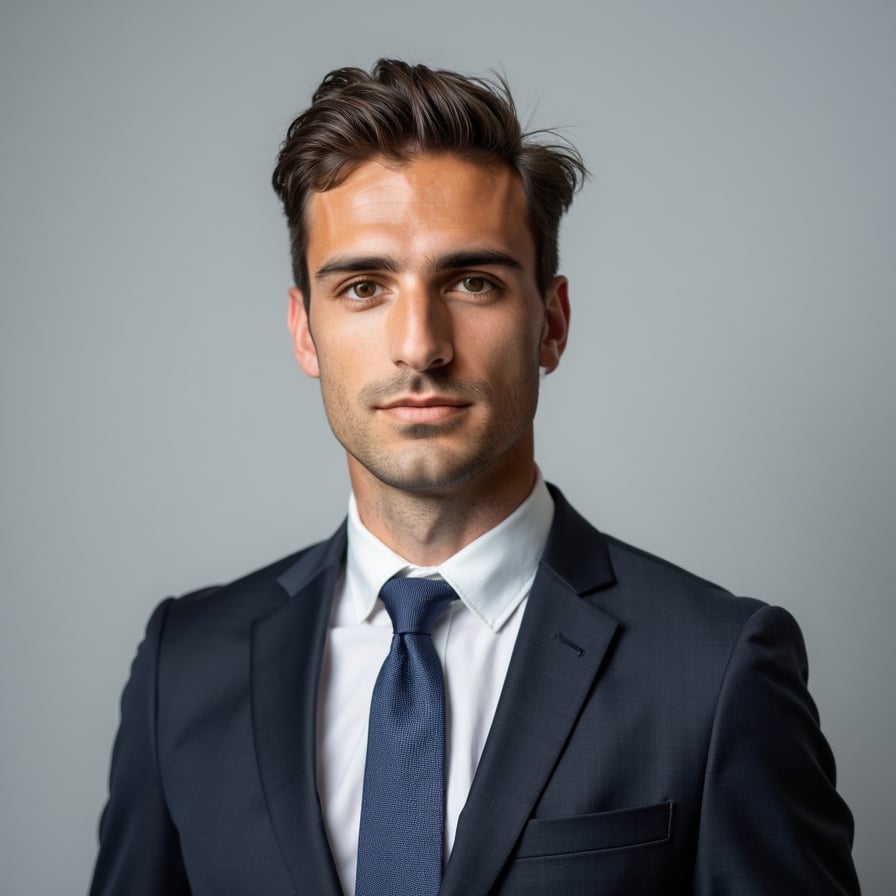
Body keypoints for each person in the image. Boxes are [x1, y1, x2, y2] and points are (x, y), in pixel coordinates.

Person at [89, 59, 860, 895]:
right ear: (304, 333)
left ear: (551, 325)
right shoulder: (185, 666)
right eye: (362, 286)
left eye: (472, 281)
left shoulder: (716, 669)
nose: (420, 344)